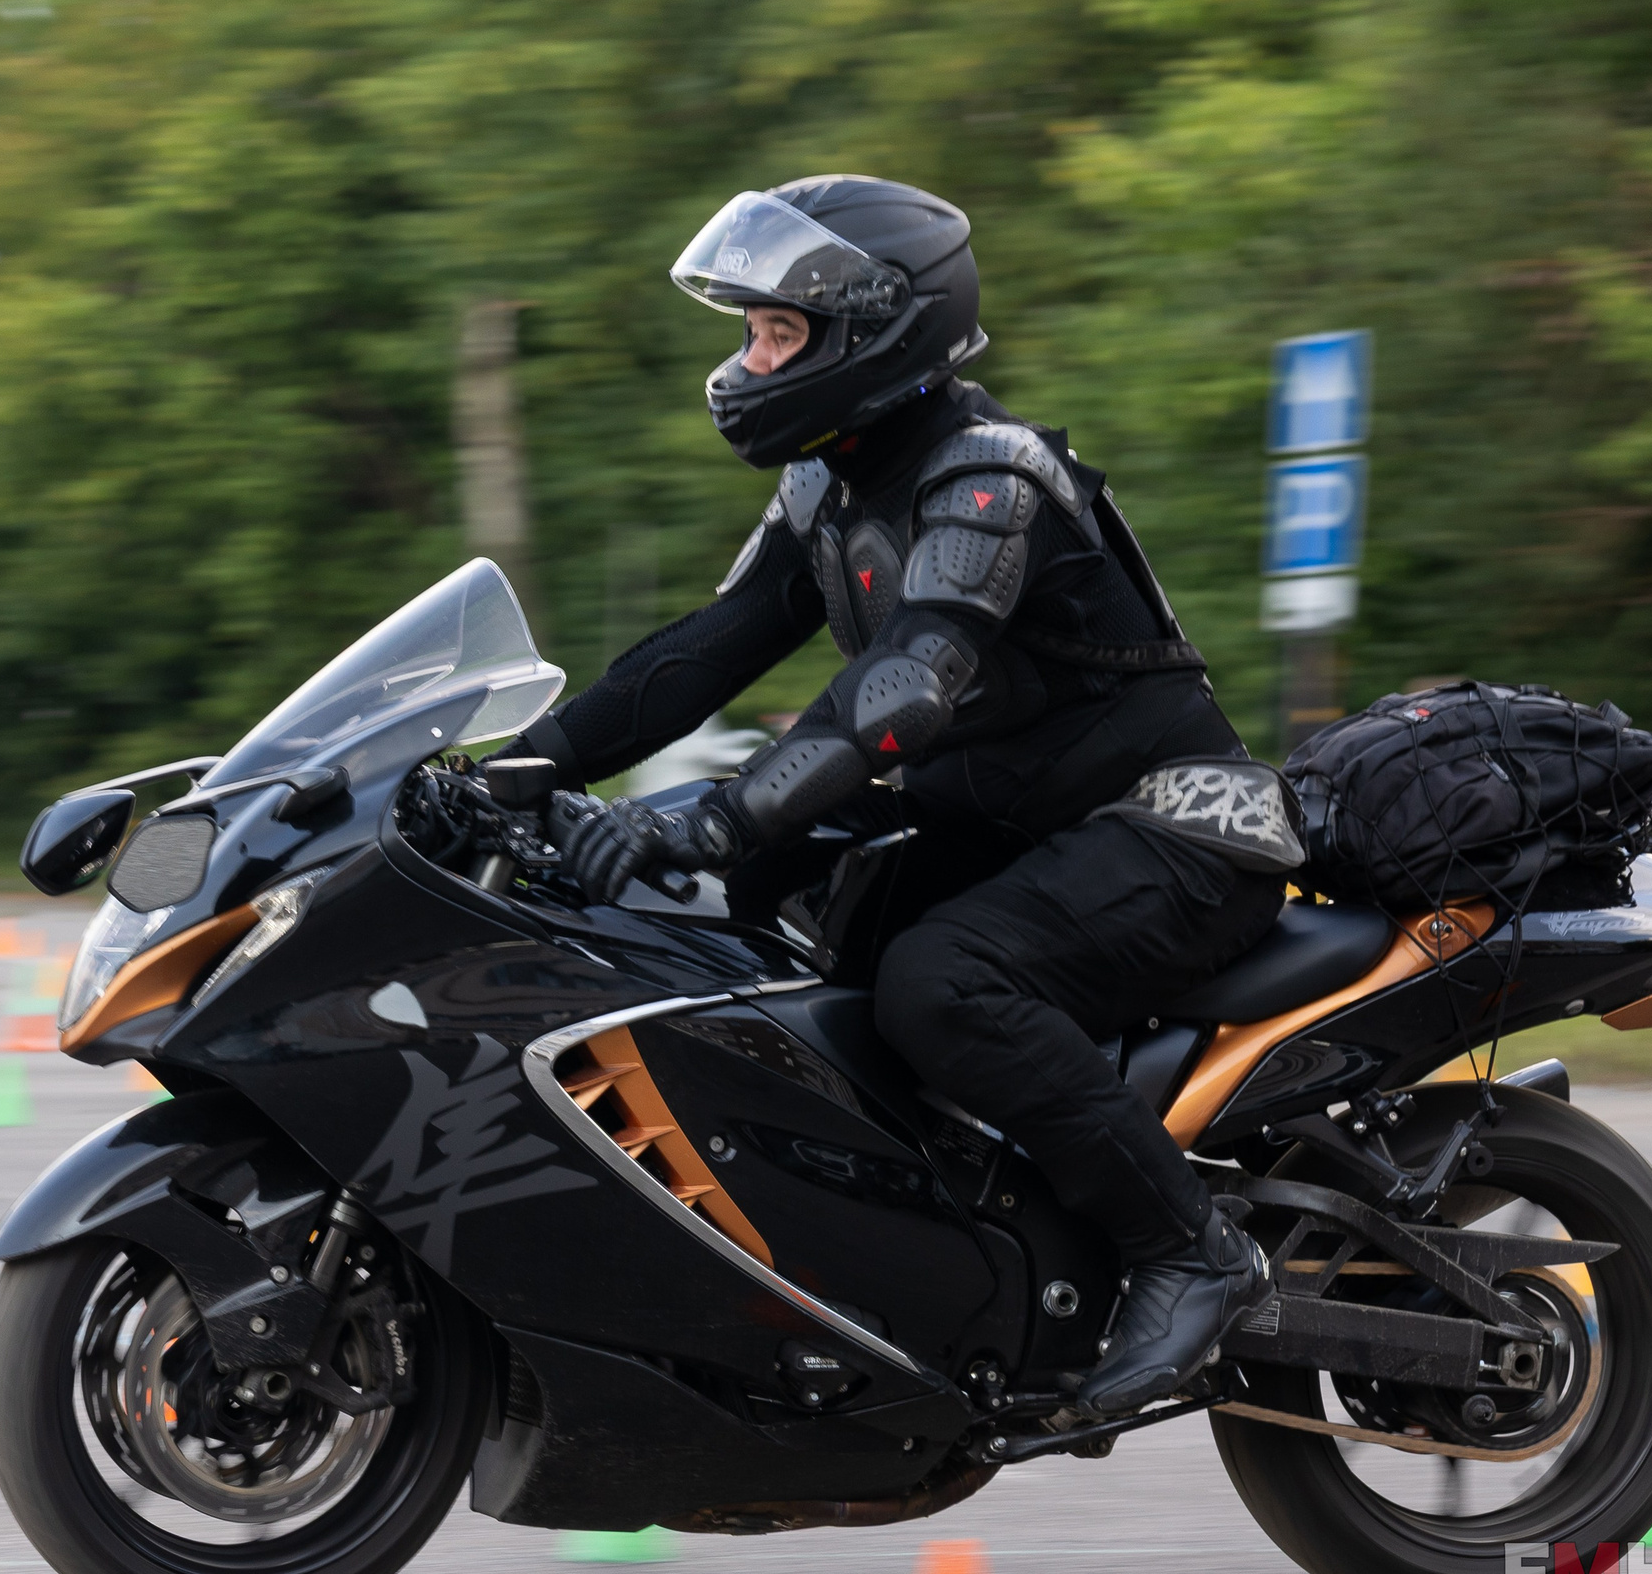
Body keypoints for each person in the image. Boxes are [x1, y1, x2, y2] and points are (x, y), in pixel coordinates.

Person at [504, 176, 1299, 1414]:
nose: (748, 359)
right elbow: (696, 655)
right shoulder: (825, 486)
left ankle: (1191, 1249)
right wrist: (517, 768)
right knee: (739, 919)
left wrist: (710, 813)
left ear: (877, 327)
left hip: (1174, 830)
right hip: (1010, 825)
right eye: (751, 330)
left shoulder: (991, 476)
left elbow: (908, 684)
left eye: (778, 333)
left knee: (940, 983)